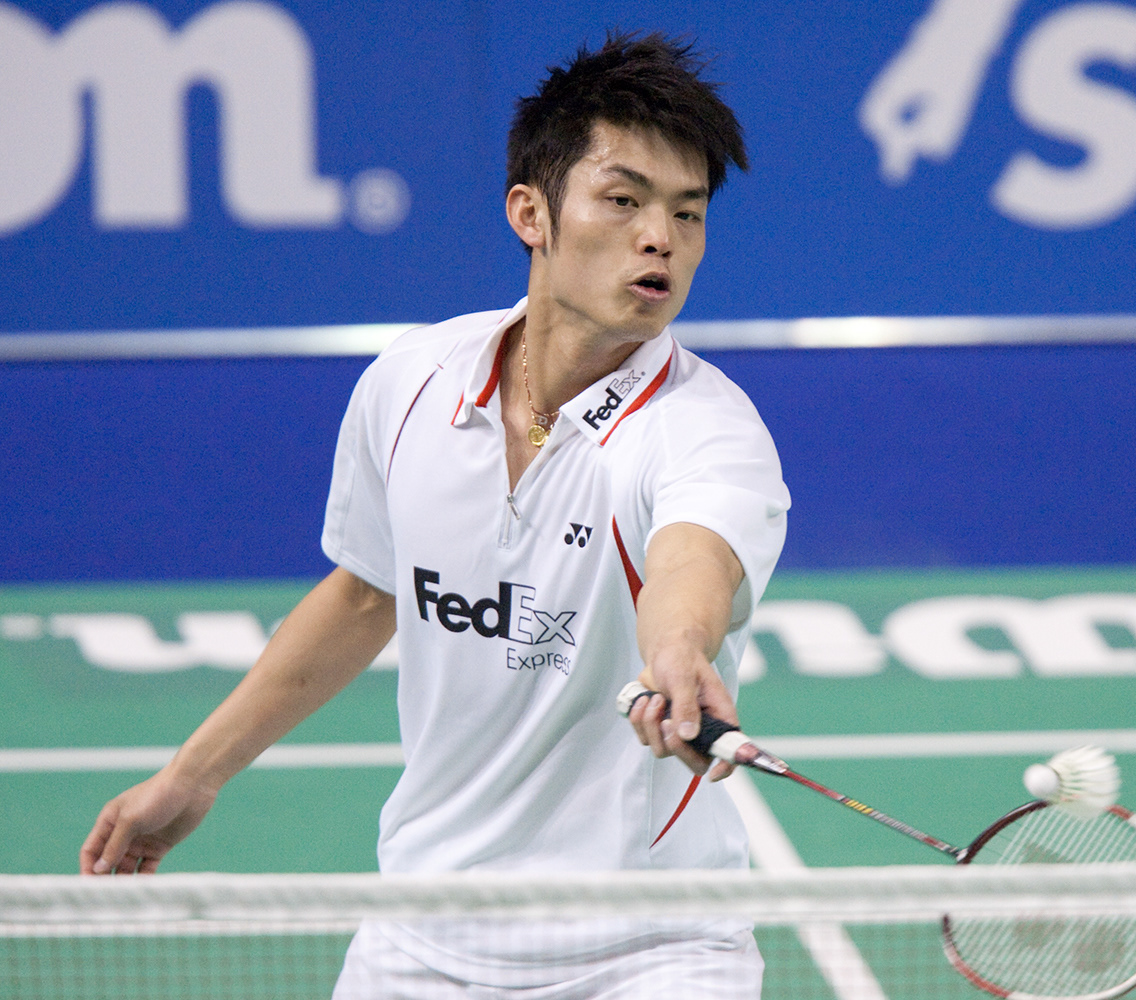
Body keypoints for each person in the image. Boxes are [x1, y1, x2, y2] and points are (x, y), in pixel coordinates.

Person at [80, 32, 789, 998]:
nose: (660, 236)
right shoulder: (412, 383)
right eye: (624, 200)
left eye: (687, 212)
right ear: (531, 213)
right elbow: (366, 595)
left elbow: (690, 565)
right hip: (423, 936)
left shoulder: (709, 430)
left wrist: (678, 651)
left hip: (652, 950)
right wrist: (194, 775)